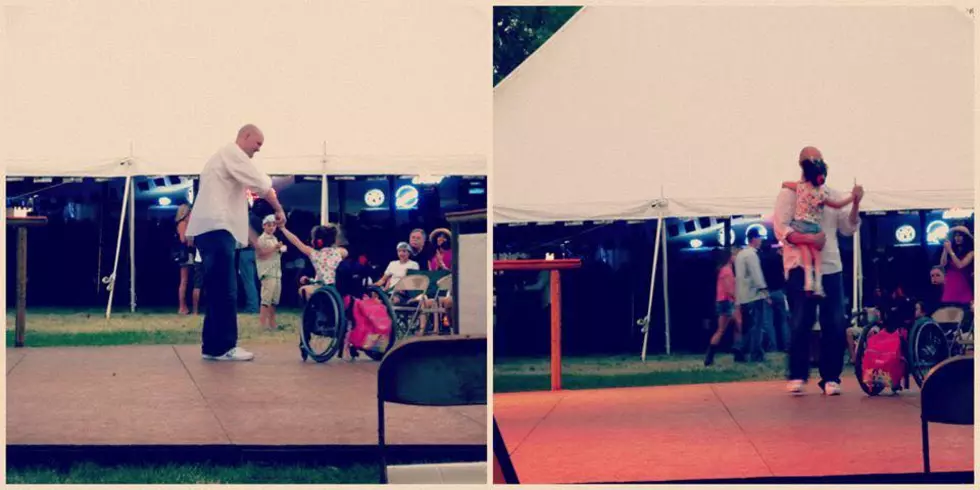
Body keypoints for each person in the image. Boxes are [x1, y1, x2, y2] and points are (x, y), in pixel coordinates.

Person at [185, 124, 285, 362]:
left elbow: (233, 213)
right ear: (245, 136)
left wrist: (254, 241)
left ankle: (212, 346)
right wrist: (278, 208)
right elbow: (262, 183)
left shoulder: (224, 162)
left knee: (219, 288)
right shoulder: (233, 154)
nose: (258, 150)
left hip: (213, 231)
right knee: (226, 290)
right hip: (216, 231)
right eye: (257, 144)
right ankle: (224, 346)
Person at [774, 146, 863, 395]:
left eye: (818, 160)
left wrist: (855, 203)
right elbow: (781, 228)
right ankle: (798, 375)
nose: (814, 164)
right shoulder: (790, 193)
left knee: (834, 323)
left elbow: (848, 227)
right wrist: (807, 240)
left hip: (831, 266)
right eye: (809, 161)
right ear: (801, 164)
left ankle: (831, 377)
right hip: (799, 266)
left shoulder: (830, 193)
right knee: (801, 322)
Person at [780, 159, 856, 296]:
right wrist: (852, 198)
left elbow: (785, 184)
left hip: (799, 224)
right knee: (817, 255)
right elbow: (838, 204)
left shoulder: (800, 187)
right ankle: (818, 284)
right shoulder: (821, 194)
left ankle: (808, 282)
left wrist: (786, 184)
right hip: (814, 226)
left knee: (805, 250)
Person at [280, 224, 347, 302]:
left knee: (303, 290)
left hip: (324, 288)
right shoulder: (341, 251)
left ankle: (314, 308)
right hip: (337, 288)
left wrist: (283, 228)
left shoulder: (314, 253)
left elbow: (296, 241)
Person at [734, 228, 769, 363]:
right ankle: (755, 353)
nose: (761, 241)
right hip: (754, 295)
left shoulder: (741, 254)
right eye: (759, 238)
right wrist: (764, 289)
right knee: (757, 326)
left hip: (743, 295)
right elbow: (756, 274)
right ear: (754, 239)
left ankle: (740, 347)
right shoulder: (752, 255)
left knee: (748, 326)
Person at [704, 248, 739, 366]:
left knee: (732, 327)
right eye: (734, 255)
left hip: (722, 301)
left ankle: (711, 355)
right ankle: (737, 352)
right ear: (730, 258)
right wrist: (736, 300)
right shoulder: (727, 271)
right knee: (732, 326)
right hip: (727, 301)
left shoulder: (723, 270)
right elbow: (729, 289)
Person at [255, 214, 287, 330]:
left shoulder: (274, 238)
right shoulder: (261, 239)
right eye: (269, 225)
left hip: (276, 272)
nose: (272, 228)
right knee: (266, 299)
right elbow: (261, 253)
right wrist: (275, 248)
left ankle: (272, 323)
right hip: (267, 272)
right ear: (264, 226)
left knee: (274, 300)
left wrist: (280, 249)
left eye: (273, 225)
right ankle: (262, 324)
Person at [761, 244, 791, 352]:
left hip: (767, 292)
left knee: (768, 322)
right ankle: (786, 345)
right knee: (783, 320)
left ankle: (773, 346)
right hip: (779, 291)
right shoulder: (779, 260)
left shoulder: (762, 260)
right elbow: (785, 275)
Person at [940, 226, 974, 306]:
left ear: (965, 237)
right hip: (950, 286)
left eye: (960, 235)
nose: (957, 238)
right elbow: (942, 264)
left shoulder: (971, 252)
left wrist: (950, 251)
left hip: (962, 286)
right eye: (955, 235)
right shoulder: (952, 250)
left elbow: (960, 265)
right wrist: (945, 250)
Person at [175, 204, 195, 315]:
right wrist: (190, 239)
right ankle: (182, 307)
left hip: (187, 254)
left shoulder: (185, 224)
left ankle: (184, 306)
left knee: (186, 280)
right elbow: (183, 239)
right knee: (184, 280)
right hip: (185, 254)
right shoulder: (183, 224)